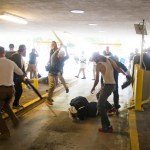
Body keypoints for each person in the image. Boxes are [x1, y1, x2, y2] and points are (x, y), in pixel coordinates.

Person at [91, 52, 128, 133]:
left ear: (96, 59)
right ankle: (111, 108)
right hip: (112, 84)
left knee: (100, 105)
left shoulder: (98, 65)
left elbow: (97, 79)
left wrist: (93, 87)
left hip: (108, 86)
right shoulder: (109, 60)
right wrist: (125, 74)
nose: (94, 62)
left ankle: (107, 126)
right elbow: (117, 69)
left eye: (94, 60)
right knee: (98, 95)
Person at [0, 46, 23, 139]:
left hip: (1, 90)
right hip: (11, 89)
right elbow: (20, 72)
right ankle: (15, 121)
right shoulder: (11, 62)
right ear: (4, 53)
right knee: (6, 106)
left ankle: (5, 133)